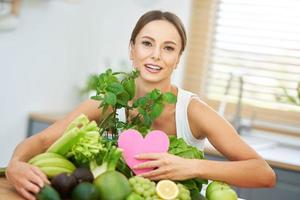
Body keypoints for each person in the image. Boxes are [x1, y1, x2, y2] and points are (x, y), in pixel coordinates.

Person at [6, 10, 276, 200]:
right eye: (147, 43)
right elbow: (42, 142)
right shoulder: (111, 103)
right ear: (132, 49)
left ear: (178, 58)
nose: (156, 55)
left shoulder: (192, 111)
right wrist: (16, 164)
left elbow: (263, 173)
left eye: (168, 48)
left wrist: (191, 167)